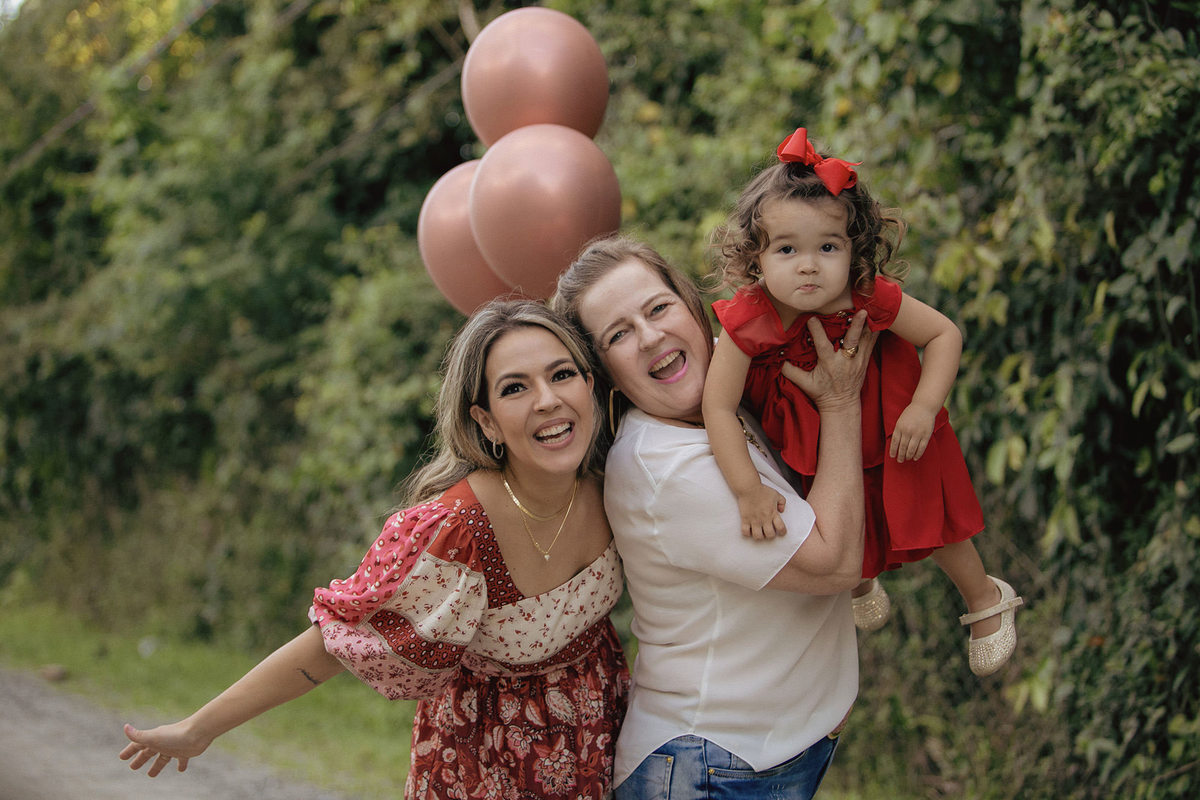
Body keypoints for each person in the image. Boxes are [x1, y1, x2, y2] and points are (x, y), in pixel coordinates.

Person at [118, 299, 631, 799]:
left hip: (605, 744)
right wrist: (199, 728)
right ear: (487, 420)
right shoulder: (456, 534)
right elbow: (335, 644)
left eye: (561, 374)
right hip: (489, 765)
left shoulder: (617, 473)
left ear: (590, 385)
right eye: (515, 387)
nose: (547, 399)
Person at [553, 235, 873, 800]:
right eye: (619, 335)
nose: (651, 337)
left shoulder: (719, 412)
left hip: (750, 756)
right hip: (711, 768)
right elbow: (834, 563)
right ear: (602, 373)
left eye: (658, 308)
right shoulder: (667, 469)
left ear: (691, 304)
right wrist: (842, 403)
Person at [702, 126, 1023, 677]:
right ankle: (861, 578)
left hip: (896, 431)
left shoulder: (868, 295)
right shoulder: (749, 320)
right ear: (757, 259)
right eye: (787, 250)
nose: (808, 265)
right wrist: (747, 490)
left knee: (932, 522)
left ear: (854, 250)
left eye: (828, 247)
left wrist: (924, 407)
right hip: (816, 443)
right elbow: (717, 407)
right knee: (842, 519)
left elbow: (944, 334)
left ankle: (984, 597)